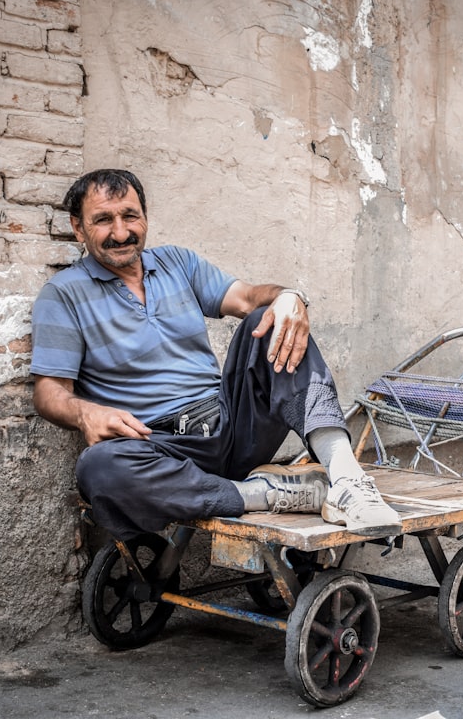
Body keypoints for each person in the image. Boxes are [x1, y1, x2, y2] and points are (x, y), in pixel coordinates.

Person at [30, 168, 402, 541]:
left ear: (144, 216)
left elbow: (248, 298)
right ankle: (268, 494)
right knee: (98, 468)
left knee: (272, 320)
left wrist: (290, 296)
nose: (121, 232)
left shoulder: (177, 263)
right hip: (159, 447)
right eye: (103, 220)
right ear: (78, 228)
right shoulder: (63, 295)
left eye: (130, 216)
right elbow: (48, 392)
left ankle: (348, 482)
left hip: (231, 426)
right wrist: (85, 413)